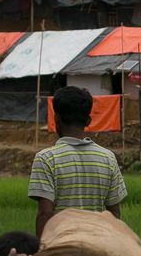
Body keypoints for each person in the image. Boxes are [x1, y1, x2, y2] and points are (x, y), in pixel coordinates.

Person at [28, 87, 126, 238]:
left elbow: (44, 214)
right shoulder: (108, 158)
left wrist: (43, 254)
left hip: (62, 247)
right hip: (97, 248)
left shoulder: (46, 158)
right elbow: (114, 212)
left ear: (56, 119)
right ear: (88, 120)